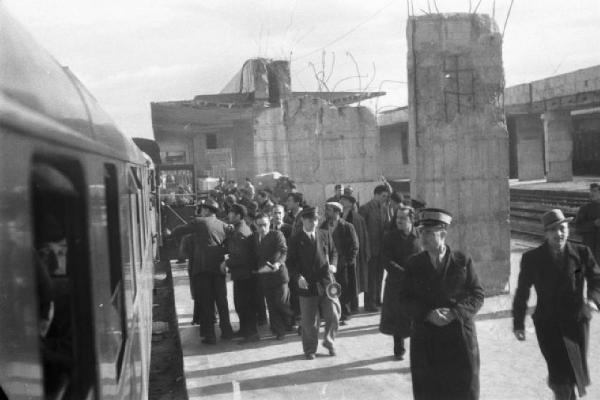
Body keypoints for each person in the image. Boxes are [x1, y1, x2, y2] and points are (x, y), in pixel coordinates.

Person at [513, 209, 600, 399]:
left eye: (562, 228)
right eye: (553, 230)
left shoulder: (582, 253)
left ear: (568, 229)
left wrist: (592, 300)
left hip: (576, 323)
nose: (558, 234)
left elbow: (596, 279)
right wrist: (518, 322)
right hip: (548, 324)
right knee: (559, 376)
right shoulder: (532, 259)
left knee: (574, 373)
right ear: (546, 233)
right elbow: (522, 291)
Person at [400, 208, 484, 400]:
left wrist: (455, 313)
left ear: (443, 234)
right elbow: (403, 299)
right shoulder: (413, 264)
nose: (423, 237)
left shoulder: (462, 261)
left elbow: (478, 295)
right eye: (421, 232)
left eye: (429, 233)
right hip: (426, 341)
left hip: (459, 340)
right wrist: (428, 314)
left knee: (463, 392)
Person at [170, 199, 233, 344]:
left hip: (202, 268)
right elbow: (228, 245)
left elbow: (181, 230)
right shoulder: (223, 225)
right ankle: (227, 331)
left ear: (206, 210)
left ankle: (210, 335)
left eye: (202, 209)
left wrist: (171, 233)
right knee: (221, 301)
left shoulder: (199, 222)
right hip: (219, 268)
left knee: (206, 301)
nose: (200, 211)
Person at [287, 207, 340, 359]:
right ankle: (310, 350)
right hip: (307, 284)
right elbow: (290, 263)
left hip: (326, 282)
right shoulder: (296, 240)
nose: (313, 223)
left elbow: (334, 252)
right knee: (309, 321)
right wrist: (298, 277)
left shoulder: (324, 234)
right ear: (303, 220)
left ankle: (329, 341)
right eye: (310, 220)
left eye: (316, 220)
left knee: (334, 314)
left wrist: (334, 265)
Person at [379, 206, 420, 360]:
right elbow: (386, 260)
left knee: (416, 317)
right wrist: (404, 273)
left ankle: (418, 349)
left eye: (403, 218)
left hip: (416, 284)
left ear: (411, 220)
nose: (399, 221)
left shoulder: (419, 236)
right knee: (397, 316)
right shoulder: (389, 237)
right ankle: (399, 349)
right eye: (397, 218)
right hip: (396, 283)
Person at [253, 213, 294, 340]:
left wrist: (278, 263)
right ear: (255, 225)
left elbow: (284, 251)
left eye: (264, 225)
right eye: (259, 225)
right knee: (271, 305)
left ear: (269, 224)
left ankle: (292, 322)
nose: (262, 228)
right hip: (265, 277)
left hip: (279, 275)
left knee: (281, 303)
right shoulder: (254, 237)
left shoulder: (277, 235)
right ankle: (279, 330)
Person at [223, 204, 259, 343]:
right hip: (241, 274)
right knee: (240, 304)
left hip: (246, 275)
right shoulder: (237, 229)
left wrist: (226, 263)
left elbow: (241, 257)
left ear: (239, 216)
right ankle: (245, 330)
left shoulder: (241, 232)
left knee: (246, 305)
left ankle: (251, 334)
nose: (229, 215)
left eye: (232, 213)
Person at [321, 202, 359, 325]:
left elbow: (355, 246)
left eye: (329, 210)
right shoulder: (323, 226)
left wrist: (348, 262)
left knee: (344, 289)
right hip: (327, 264)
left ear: (337, 212)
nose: (326, 212)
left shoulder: (347, 226)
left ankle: (345, 315)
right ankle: (331, 315)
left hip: (343, 265)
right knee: (328, 289)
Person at [359, 184, 391, 311]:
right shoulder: (365, 208)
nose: (385, 199)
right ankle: (369, 303)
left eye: (386, 197)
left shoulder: (384, 209)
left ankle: (377, 300)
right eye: (383, 196)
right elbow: (362, 230)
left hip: (381, 248)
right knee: (371, 277)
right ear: (376, 194)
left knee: (379, 276)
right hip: (370, 249)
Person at [340, 194, 370, 313]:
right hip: (345, 253)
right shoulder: (341, 216)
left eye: (344, 200)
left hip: (355, 253)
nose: (341, 202)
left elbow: (362, 237)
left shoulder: (357, 218)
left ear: (351, 204)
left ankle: (354, 306)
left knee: (355, 279)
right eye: (341, 200)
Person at [574, 183, 600, 264]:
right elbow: (577, 228)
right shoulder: (584, 209)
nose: (591, 193)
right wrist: (593, 224)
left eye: (595, 191)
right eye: (590, 191)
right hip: (589, 251)